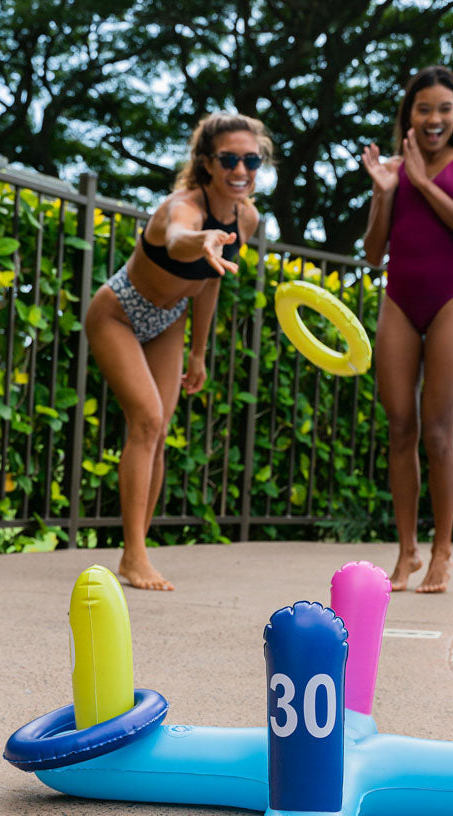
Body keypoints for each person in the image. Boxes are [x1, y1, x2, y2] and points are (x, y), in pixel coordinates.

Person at [85, 112, 271, 590]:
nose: (241, 170)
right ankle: (135, 556)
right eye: (230, 158)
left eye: (251, 159)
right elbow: (177, 239)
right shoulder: (182, 206)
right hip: (119, 313)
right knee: (145, 419)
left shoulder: (245, 216)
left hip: (170, 320)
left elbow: (210, 283)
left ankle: (135, 552)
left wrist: (198, 354)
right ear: (207, 162)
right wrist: (203, 239)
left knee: (158, 430)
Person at [361, 66, 453, 594]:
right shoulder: (393, 170)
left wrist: (422, 184)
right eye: (424, 109)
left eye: (444, 108)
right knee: (400, 427)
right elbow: (374, 253)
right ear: (409, 115)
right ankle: (407, 552)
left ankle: (442, 551)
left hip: (451, 302)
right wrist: (385, 193)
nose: (434, 119)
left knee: (438, 431)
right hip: (399, 300)